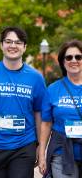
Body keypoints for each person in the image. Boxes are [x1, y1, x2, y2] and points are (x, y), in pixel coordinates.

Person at [0, 26, 47, 178]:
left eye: (18, 42)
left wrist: (40, 147)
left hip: (24, 146)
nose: (13, 46)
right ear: (1, 45)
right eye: (8, 41)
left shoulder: (36, 78)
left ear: (24, 47)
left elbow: (39, 113)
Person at [39, 40, 82, 178]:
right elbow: (46, 124)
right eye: (68, 57)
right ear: (63, 62)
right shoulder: (53, 89)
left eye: (78, 57)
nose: (73, 60)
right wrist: (41, 154)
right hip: (61, 153)